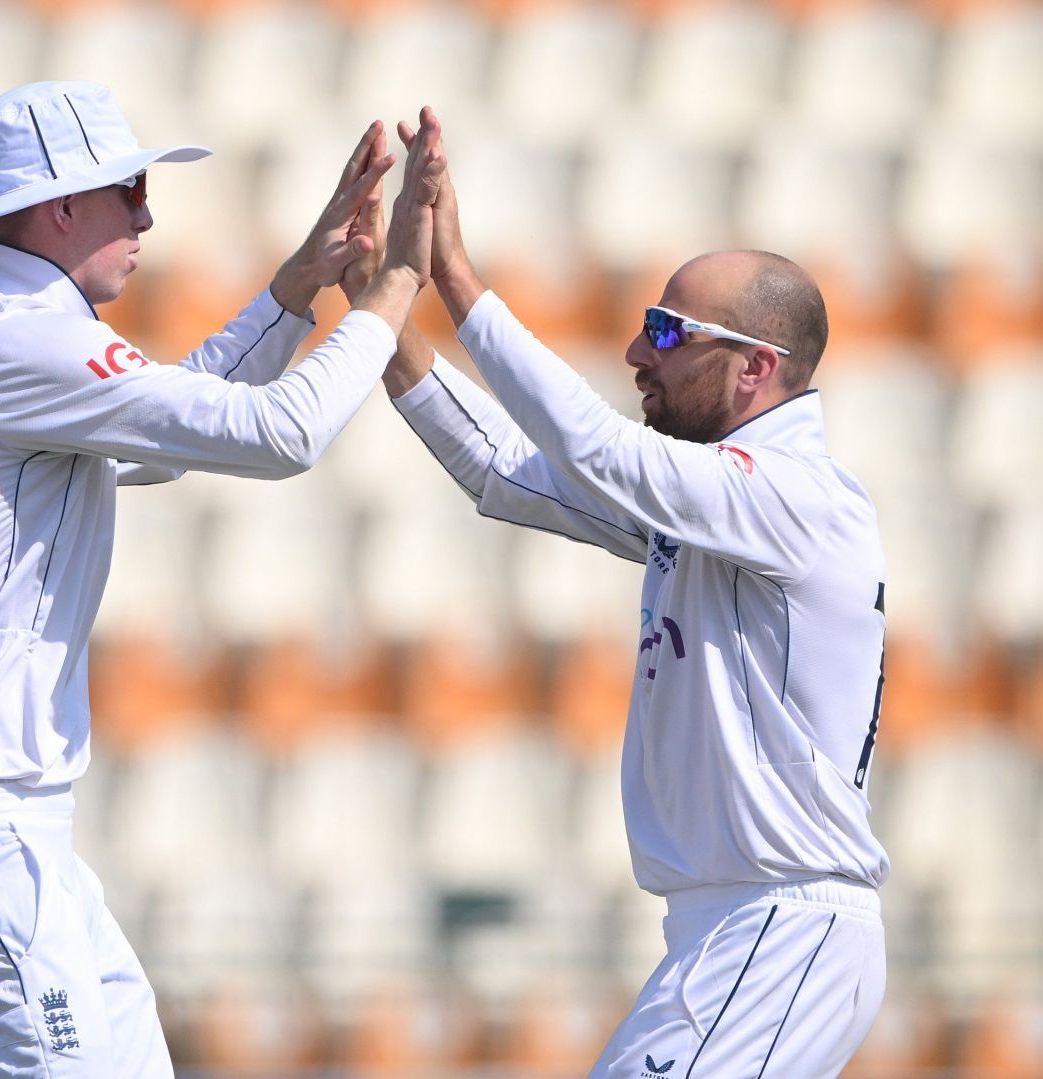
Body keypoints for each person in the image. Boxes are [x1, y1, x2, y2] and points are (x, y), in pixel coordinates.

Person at [0, 80, 444, 1075]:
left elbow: (169, 434)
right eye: (127, 190)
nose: (147, 213)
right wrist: (390, 298)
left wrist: (296, 291)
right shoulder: (8, 338)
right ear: (59, 206)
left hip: (7, 829)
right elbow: (279, 433)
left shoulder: (8, 338)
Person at [379, 110, 888, 1075]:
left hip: (780, 930)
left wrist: (457, 275)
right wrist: (381, 312)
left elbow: (596, 448)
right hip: (730, 935)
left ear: (754, 366)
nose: (636, 353)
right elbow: (504, 473)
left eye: (666, 330)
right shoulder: (718, 507)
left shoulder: (797, 497)